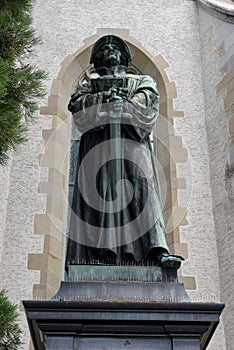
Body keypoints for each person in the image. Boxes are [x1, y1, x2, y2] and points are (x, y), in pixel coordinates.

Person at [65, 35, 183, 271]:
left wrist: (123, 106)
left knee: (144, 186)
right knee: (100, 192)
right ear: (97, 60)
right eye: (104, 49)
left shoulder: (143, 81)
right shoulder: (87, 87)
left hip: (133, 143)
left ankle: (156, 251)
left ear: (124, 57)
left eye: (115, 47)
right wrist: (105, 100)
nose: (109, 50)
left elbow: (146, 105)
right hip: (97, 149)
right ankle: (97, 254)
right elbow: (78, 108)